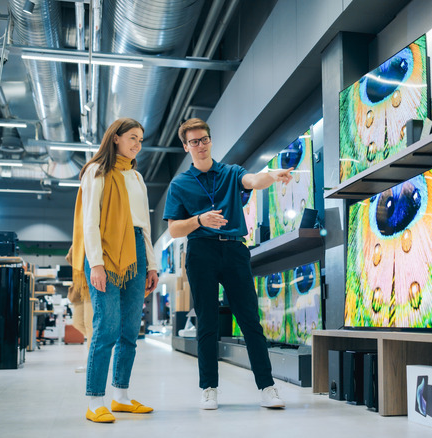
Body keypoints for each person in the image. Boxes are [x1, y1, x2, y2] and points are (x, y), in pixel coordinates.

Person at [164, 118, 292, 410]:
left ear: (210, 140)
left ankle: (267, 387)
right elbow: (173, 230)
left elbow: (253, 181)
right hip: (200, 253)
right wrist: (199, 220)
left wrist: (271, 174)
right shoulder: (179, 184)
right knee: (207, 323)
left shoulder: (231, 172)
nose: (200, 146)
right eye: (194, 142)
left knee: (249, 321)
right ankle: (209, 388)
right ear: (186, 147)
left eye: (204, 139)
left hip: (234, 251)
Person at [71, 117, 160, 423]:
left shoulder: (135, 177)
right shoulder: (96, 171)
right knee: (106, 328)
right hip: (105, 254)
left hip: (135, 251)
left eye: (140, 139)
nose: (137, 144)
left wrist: (152, 265)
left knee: (129, 331)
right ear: (115, 139)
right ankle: (95, 400)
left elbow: (144, 226)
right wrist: (95, 262)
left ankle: (120, 396)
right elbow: (89, 222)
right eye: (132, 138)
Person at [66, 246, 92, 373]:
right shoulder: (79, 235)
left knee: (90, 326)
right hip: (79, 287)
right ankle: (102, 346)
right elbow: (70, 257)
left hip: (91, 284)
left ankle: (92, 363)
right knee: (78, 322)